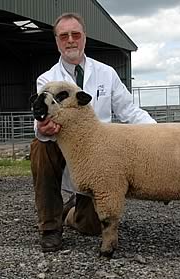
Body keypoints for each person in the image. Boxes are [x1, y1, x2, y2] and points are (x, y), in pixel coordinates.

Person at [30, 12, 156, 252]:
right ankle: (50, 228)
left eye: (75, 34)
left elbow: (128, 110)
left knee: (91, 227)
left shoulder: (106, 73)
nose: (70, 40)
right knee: (40, 146)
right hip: (65, 153)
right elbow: (40, 118)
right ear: (57, 41)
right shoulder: (46, 79)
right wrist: (43, 129)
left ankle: (72, 210)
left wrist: (158, 135)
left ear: (84, 38)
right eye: (63, 36)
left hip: (99, 162)